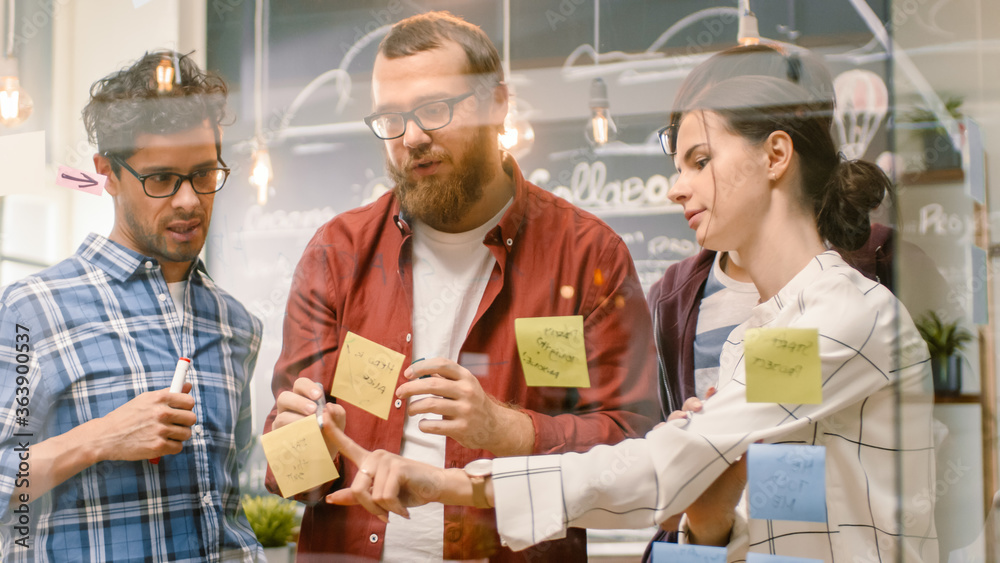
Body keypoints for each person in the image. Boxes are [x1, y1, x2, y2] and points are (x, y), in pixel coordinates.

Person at [319, 53, 939, 562]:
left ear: (776, 156)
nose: (676, 188)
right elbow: (747, 507)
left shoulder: (844, 318)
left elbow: (658, 465)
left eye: (699, 161)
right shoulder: (768, 329)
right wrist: (709, 497)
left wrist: (454, 483)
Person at [263, 11, 658, 562]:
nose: (414, 137)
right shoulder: (338, 253)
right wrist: (301, 441)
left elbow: (637, 455)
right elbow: (294, 479)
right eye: (391, 119)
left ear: (498, 104)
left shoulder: (586, 255)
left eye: (434, 110)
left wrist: (509, 429)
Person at [0, 51, 264, 561]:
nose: (189, 200)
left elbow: (226, 502)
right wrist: (99, 438)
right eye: (161, 179)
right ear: (108, 173)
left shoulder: (236, 324)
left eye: (205, 174)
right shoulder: (35, 309)